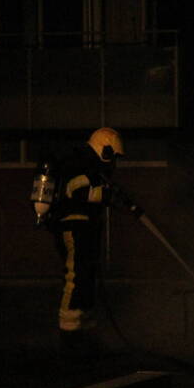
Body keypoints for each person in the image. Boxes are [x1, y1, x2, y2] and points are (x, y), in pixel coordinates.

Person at [40, 127, 142, 338]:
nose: (113, 162)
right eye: (112, 155)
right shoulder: (79, 164)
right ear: (103, 149)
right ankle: (69, 334)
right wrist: (106, 195)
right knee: (76, 276)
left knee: (86, 277)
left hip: (85, 227)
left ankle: (85, 330)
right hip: (73, 227)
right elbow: (74, 190)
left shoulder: (93, 167)